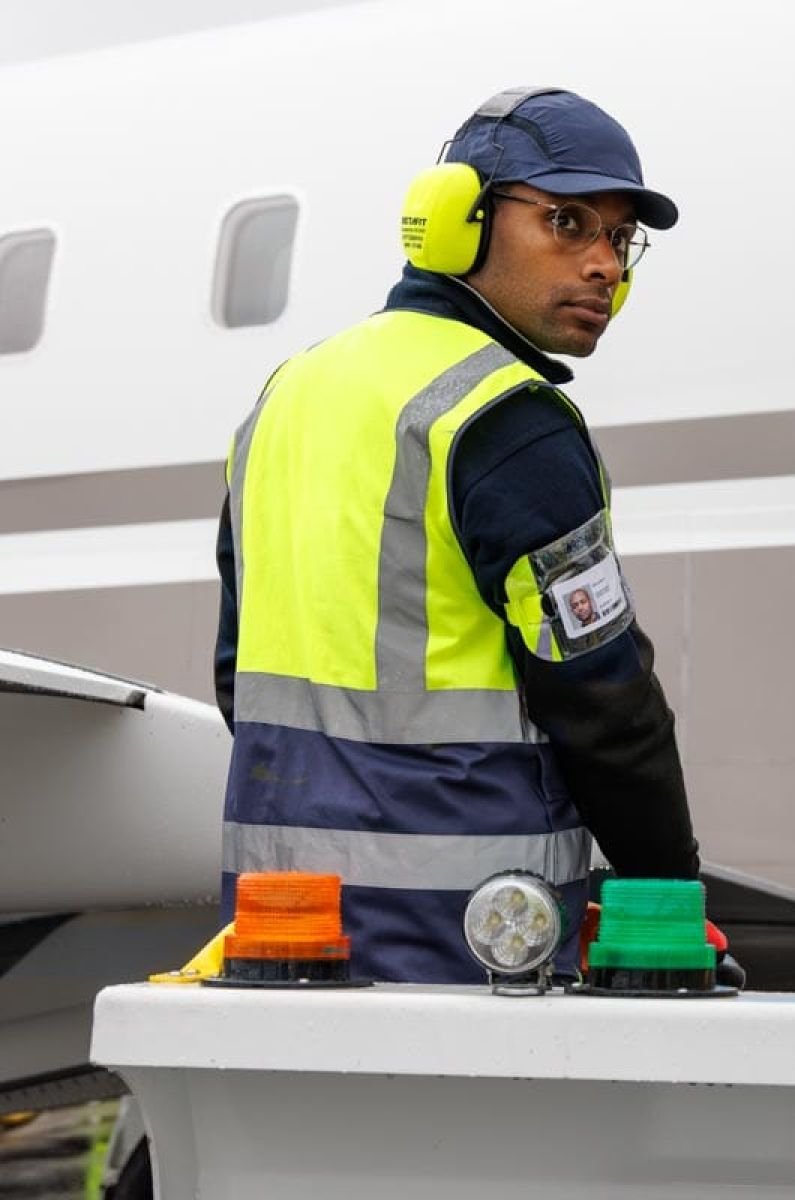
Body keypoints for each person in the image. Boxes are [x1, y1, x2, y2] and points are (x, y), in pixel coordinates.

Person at [213, 86, 699, 983]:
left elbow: (237, 674)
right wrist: (667, 892)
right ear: (453, 224)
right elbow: (603, 701)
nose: (605, 266)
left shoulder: (286, 396)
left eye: (619, 239)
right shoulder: (508, 421)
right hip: (474, 936)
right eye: (567, 221)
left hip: (282, 933)